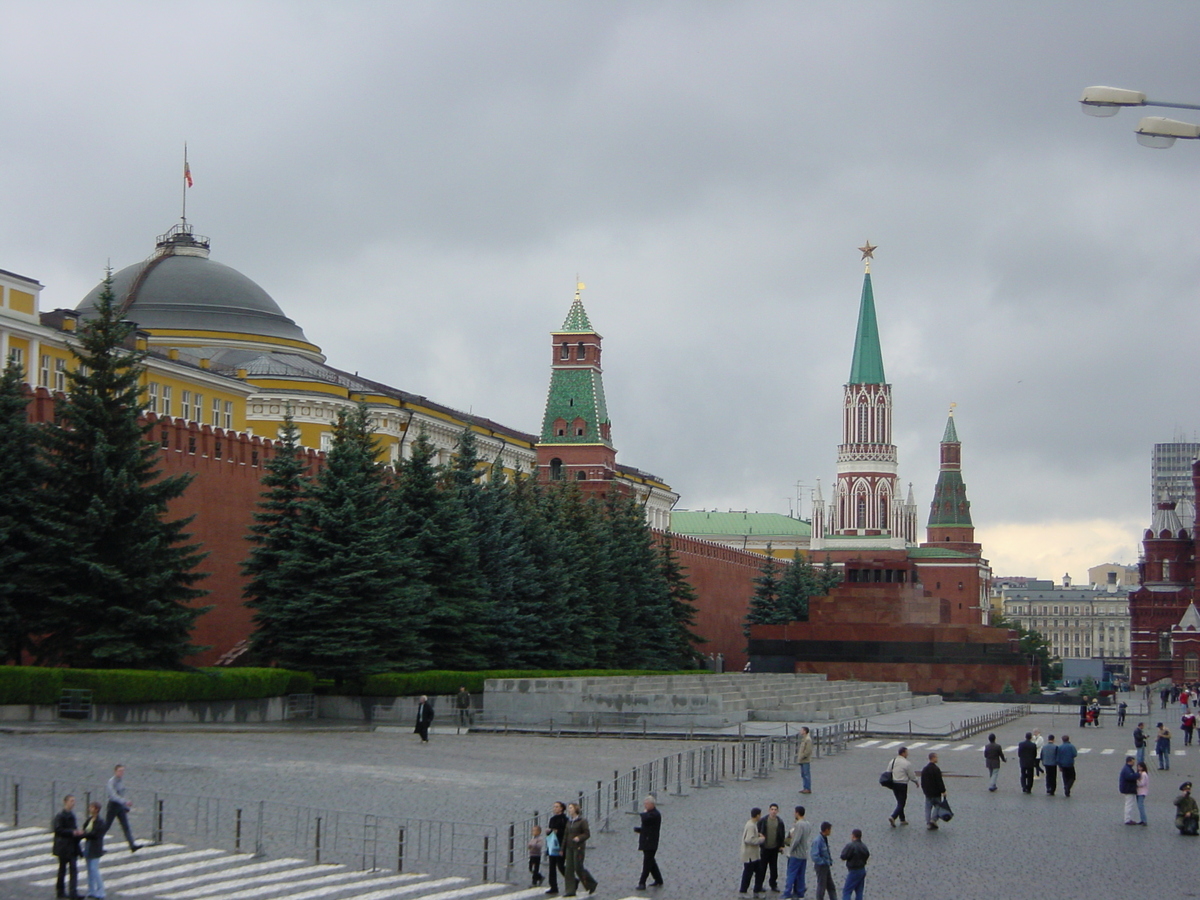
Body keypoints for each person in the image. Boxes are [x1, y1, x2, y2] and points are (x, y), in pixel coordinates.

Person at [103, 764, 140, 852]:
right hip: (112, 805)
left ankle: (132, 845)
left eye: (122, 771)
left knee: (126, 826)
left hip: (119, 806)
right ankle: (98, 844)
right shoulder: (111, 782)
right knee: (106, 826)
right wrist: (125, 802)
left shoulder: (121, 781)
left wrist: (124, 806)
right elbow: (113, 795)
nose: (121, 773)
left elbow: (121, 794)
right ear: (115, 771)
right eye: (120, 771)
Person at [562, 802, 596, 896]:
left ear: (576, 809)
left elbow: (587, 833)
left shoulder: (582, 821)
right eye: (569, 808)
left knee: (578, 867)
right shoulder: (569, 821)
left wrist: (579, 838)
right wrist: (562, 848)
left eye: (571, 808)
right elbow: (566, 835)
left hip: (578, 847)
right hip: (569, 847)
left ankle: (590, 884)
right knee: (568, 869)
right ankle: (570, 890)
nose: (569, 810)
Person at [53, 793, 82, 900]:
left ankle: (73, 892)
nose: (73, 803)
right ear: (65, 802)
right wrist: (72, 832)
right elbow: (58, 830)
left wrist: (78, 833)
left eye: (74, 801)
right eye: (71, 801)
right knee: (63, 870)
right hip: (63, 847)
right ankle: (60, 891)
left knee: (73, 870)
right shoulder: (60, 816)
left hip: (71, 846)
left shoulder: (72, 815)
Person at [782, 805, 813, 899]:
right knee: (801, 875)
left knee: (791, 874)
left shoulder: (799, 824)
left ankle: (787, 894)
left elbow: (796, 840)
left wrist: (790, 851)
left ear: (797, 813)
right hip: (804, 854)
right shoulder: (808, 824)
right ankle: (800, 894)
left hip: (796, 854)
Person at [81, 800, 108, 900]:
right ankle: (91, 890)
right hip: (88, 846)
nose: (89, 809)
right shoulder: (90, 820)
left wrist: (84, 834)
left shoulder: (100, 822)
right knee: (89, 870)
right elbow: (85, 828)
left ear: (96, 809)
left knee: (94, 869)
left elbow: (94, 834)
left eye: (91, 807)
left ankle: (101, 891)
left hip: (95, 847)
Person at [634, 795, 663, 890]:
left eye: (646, 804)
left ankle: (642, 882)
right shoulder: (651, 814)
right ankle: (658, 879)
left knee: (647, 863)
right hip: (647, 841)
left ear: (651, 804)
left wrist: (643, 813)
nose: (645, 806)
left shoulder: (654, 814)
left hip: (651, 842)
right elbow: (648, 827)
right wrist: (640, 830)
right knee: (651, 862)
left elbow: (646, 819)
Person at [758, 803, 786, 892]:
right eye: (772, 809)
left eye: (775, 810)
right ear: (769, 810)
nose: (773, 811)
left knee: (774, 869)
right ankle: (759, 885)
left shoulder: (780, 822)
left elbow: (782, 835)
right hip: (765, 848)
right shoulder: (763, 820)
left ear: (777, 811)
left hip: (774, 849)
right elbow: (758, 830)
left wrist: (781, 846)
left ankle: (773, 884)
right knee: (762, 868)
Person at [886, 746, 918, 825]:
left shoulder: (892, 761)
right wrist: (916, 781)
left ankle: (902, 819)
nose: (907, 754)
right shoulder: (906, 763)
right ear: (903, 753)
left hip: (894, 784)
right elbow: (911, 775)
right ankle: (893, 816)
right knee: (902, 802)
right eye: (906, 752)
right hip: (902, 784)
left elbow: (888, 771)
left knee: (899, 801)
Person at [739, 807, 766, 896]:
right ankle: (743, 891)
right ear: (757, 815)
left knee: (759, 871)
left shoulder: (751, 823)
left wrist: (757, 834)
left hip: (754, 855)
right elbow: (749, 840)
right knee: (748, 874)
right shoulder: (751, 825)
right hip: (750, 855)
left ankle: (757, 890)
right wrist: (761, 839)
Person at [838, 828, 869, 900]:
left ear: (853, 836)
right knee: (859, 892)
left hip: (854, 871)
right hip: (862, 870)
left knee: (847, 891)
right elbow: (867, 855)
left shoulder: (851, 846)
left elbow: (843, 856)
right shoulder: (864, 846)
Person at [544, 800, 567, 895]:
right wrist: (549, 831)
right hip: (552, 844)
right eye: (554, 807)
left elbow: (565, 832)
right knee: (552, 866)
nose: (555, 808)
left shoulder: (564, 819)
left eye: (557, 807)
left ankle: (573, 880)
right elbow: (551, 832)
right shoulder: (552, 819)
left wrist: (557, 831)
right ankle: (553, 886)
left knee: (560, 865)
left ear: (561, 808)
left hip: (560, 844)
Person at [920, 752, 946, 830]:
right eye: (936, 757)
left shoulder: (925, 769)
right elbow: (939, 781)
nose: (937, 759)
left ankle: (928, 822)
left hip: (928, 792)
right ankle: (933, 819)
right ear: (933, 758)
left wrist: (924, 790)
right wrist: (943, 791)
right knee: (938, 806)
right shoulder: (936, 769)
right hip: (936, 792)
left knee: (928, 808)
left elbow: (923, 782)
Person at [810, 821, 836, 900]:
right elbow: (814, 855)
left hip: (826, 866)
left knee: (831, 886)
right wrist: (823, 862)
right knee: (822, 886)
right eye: (830, 829)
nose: (830, 831)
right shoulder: (818, 841)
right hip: (821, 867)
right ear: (826, 830)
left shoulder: (824, 839)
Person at [1119, 756, 1139, 824]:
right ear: (1129, 761)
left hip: (1128, 788)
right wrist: (1138, 775)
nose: (1134, 763)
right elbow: (1130, 777)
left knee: (1129, 804)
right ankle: (1127, 819)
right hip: (1128, 789)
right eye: (1133, 762)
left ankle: (1128, 818)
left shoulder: (1127, 768)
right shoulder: (1127, 769)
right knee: (1129, 805)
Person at [798, 727, 813, 794]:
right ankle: (805, 788)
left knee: (806, 775)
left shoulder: (808, 739)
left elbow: (808, 750)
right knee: (803, 774)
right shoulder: (804, 739)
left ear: (804, 731)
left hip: (805, 760)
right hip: (802, 760)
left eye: (801, 730)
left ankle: (807, 788)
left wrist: (802, 756)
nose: (800, 731)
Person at [1135, 761, 1150, 826]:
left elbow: (1142, 783)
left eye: (1140, 767)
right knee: (1140, 806)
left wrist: (1136, 782)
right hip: (1139, 792)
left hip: (1142, 792)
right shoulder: (1140, 773)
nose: (1139, 768)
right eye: (1138, 767)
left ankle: (1144, 820)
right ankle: (1142, 820)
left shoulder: (1143, 774)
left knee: (1140, 806)